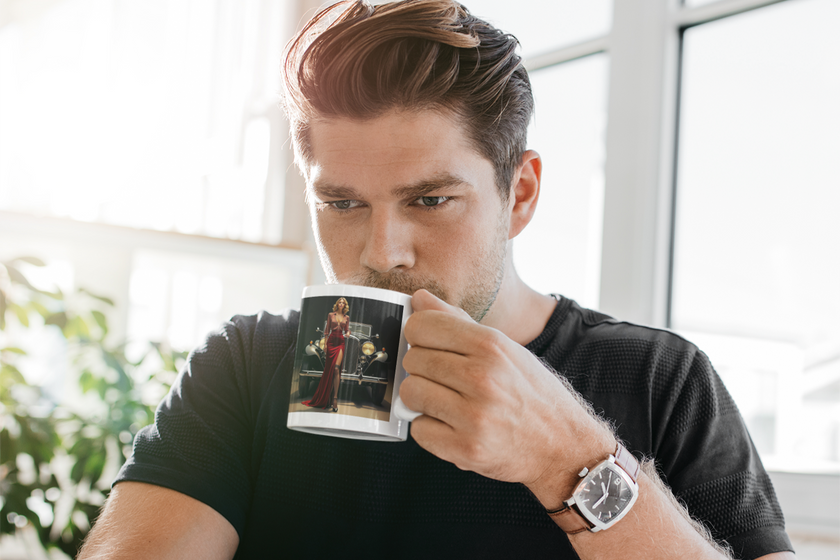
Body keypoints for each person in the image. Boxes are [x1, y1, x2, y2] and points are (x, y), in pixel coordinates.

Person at [77, 1, 796, 559]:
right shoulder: (248, 366)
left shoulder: (657, 379)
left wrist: (570, 459)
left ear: (520, 196)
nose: (382, 251)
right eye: (341, 203)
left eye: (429, 200)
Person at [302, 297, 350, 411]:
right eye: (340, 302)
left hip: (341, 342)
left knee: (337, 369)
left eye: (343, 303)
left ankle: (334, 399)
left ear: (345, 305)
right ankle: (326, 398)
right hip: (332, 342)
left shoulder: (346, 317)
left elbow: (347, 329)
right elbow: (327, 329)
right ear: (337, 304)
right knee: (329, 370)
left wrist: (348, 333)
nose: (341, 304)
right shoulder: (330, 315)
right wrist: (325, 344)